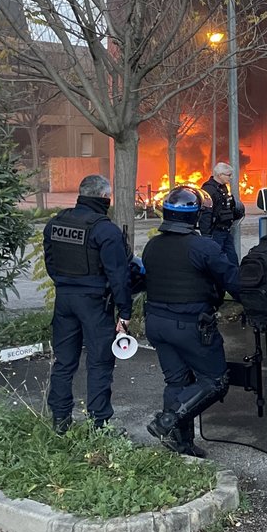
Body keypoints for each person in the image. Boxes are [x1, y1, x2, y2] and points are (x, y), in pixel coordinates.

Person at [143, 186, 240, 457]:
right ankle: (168, 421)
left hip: (156, 323)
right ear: (195, 216)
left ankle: (181, 445)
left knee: (177, 382)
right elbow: (233, 281)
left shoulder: (153, 245)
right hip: (189, 326)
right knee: (214, 380)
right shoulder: (203, 247)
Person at [42, 174, 133, 433]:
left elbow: (50, 262)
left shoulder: (55, 223)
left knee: (64, 362)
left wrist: (66, 283)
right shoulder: (105, 230)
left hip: (64, 300)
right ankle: (99, 425)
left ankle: (60, 421)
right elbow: (119, 276)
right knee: (100, 362)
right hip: (94, 303)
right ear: (105, 197)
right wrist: (124, 313)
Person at [199, 162, 245, 266]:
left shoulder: (222, 188)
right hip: (215, 232)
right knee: (216, 262)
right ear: (220, 175)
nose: (231, 177)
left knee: (232, 260)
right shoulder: (209, 189)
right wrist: (206, 235)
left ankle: (234, 279)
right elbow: (206, 214)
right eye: (228, 175)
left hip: (225, 231)